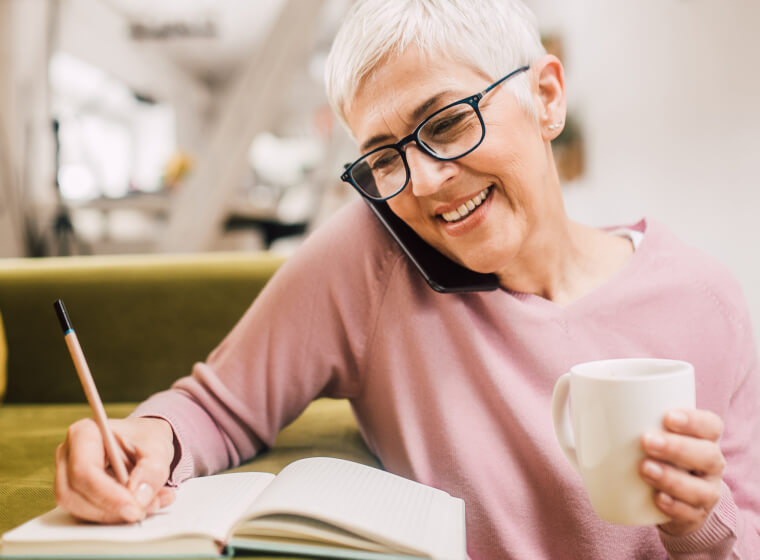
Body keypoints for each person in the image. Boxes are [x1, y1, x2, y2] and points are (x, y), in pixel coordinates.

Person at [54, 0, 760, 558]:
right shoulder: (373, 256)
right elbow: (218, 406)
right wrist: (145, 439)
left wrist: (698, 523)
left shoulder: (706, 301)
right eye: (383, 159)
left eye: (448, 123)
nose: (421, 183)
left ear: (546, 97)